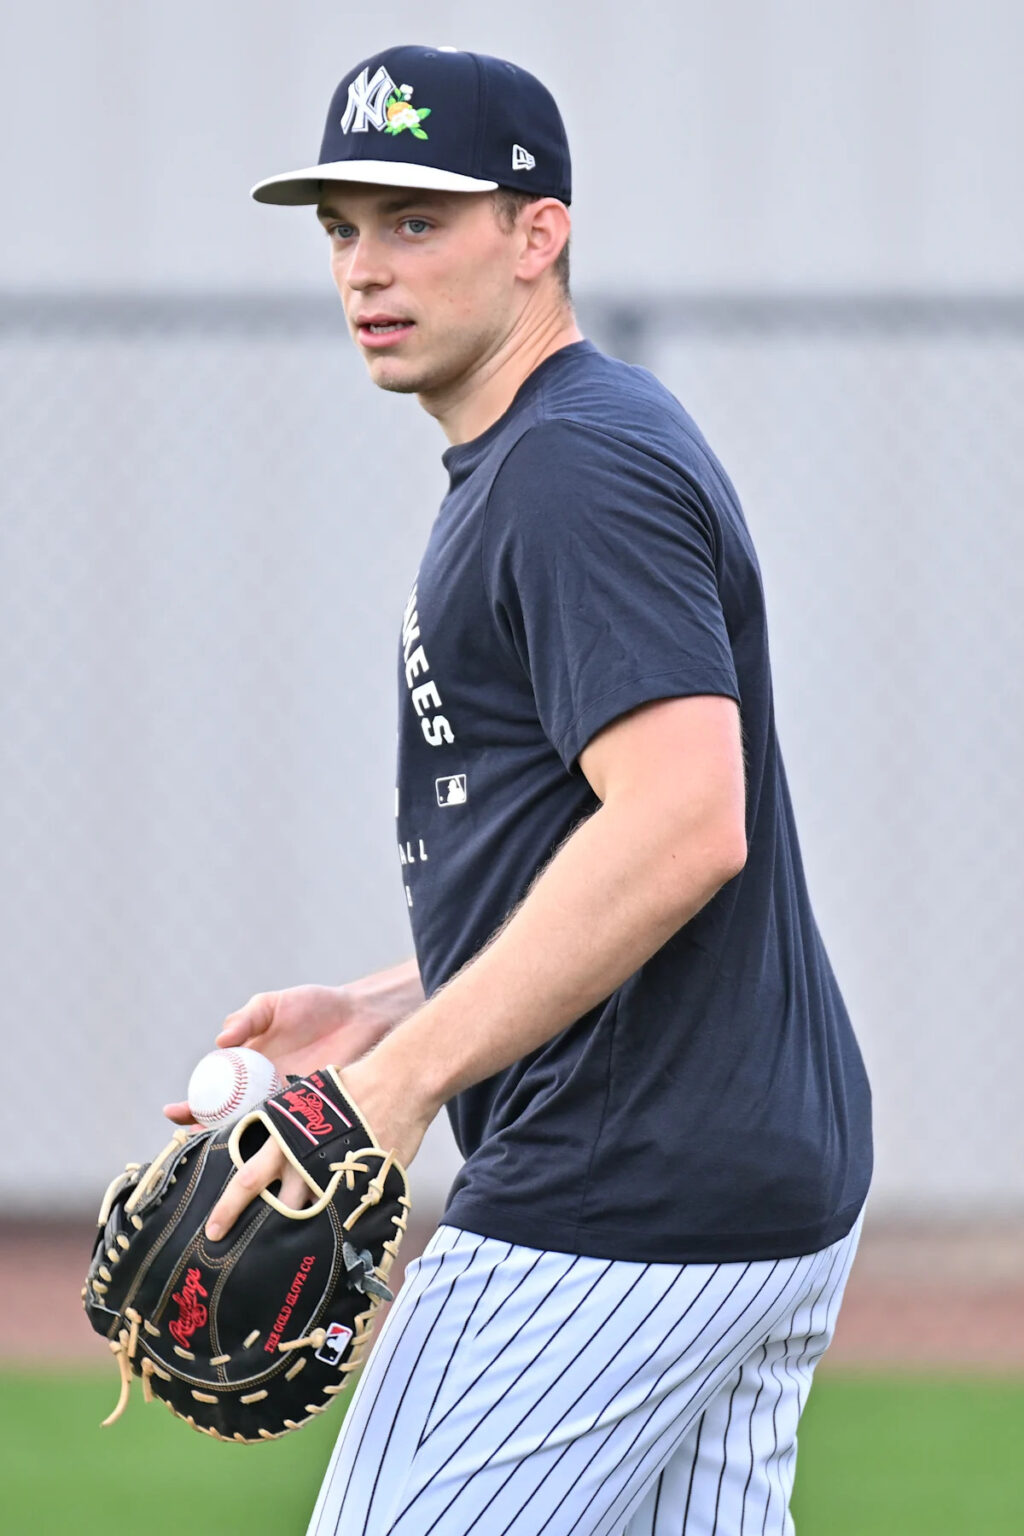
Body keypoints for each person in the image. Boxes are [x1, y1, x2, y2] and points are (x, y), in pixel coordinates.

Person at [165, 44, 872, 1536]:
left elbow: (687, 824)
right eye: (343, 226)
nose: (368, 266)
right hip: (746, 1175)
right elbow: (589, 841)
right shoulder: (560, 448)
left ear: (537, 233)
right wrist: (389, 1006)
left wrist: (391, 1091)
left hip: (618, 1188)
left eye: (417, 221)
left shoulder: (568, 471)